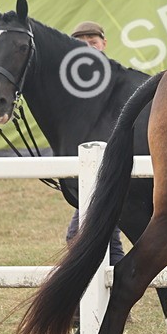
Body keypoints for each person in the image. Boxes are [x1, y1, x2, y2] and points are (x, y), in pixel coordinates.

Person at [66, 21, 124, 265]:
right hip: (93, 166)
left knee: (79, 234)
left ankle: (104, 294)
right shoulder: (71, 84)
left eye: (93, 42)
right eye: (82, 44)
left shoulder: (117, 78)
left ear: (104, 44)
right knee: (108, 238)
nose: (89, 48)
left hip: (111, 165)